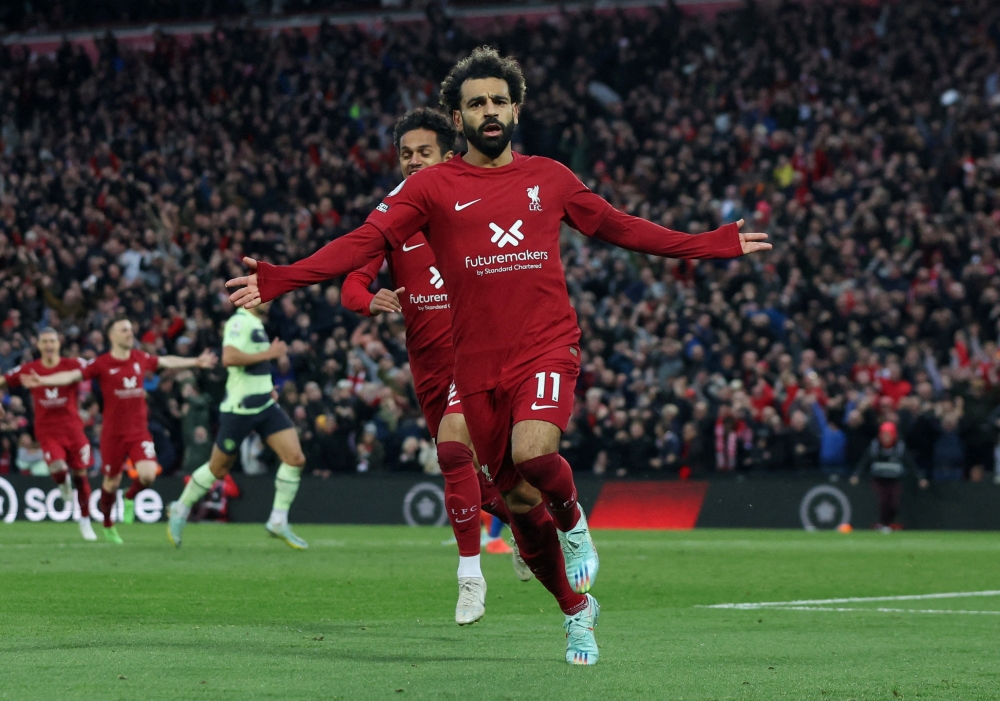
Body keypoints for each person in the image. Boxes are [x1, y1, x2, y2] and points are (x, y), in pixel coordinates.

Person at [226, 47, 771, 665]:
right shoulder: (429, 187)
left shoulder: (551, 178)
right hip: (475, 366)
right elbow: (364, 241)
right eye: (476, 103)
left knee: (533, 451)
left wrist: (713, 244)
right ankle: (575, 611)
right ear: (456, 120)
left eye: (498, 101)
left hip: (546, 344)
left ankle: (575, 527)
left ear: (517, 107)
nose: (489, 111)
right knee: (515, 505)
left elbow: (622, 227)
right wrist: (282, 278)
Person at [340, 107, 525, 626]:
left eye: (423, 152)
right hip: (428, 369)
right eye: (405, 154)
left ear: (448, 155)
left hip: (478, 358)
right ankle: (529, 528)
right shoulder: (391, 220)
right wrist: (367, 297)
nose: (412, 162)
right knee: (474, 479)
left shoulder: (472, 207)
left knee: (449, 448)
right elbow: (352, 279)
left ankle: (469, 577)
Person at [24, 316, 217, 543]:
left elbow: (166, 361)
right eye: (124, 330)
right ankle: (107, 524)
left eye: (130, 329)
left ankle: (129, 496)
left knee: (147, 476)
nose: (129, 333)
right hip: (112, 434)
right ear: (112, 336)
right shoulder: (102, 363)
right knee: (110, 483)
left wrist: (195, 362)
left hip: (138, 432)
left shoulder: (139, 357)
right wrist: (44, 381)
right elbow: (72, 376)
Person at [167, 300, 310, 549]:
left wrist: (267, 387)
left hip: (264, 404)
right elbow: (229, 357)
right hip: (240, 408)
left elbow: (254, 367)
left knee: (295, 459)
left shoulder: (256, 324)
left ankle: (278, 520)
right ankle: (180, 508)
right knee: (218, 469)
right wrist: (270, 354)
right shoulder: (239, 321)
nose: (269, 299)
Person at [0, 329, 96, 540]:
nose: (49, 345)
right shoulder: (30, 369)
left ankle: (85, 521)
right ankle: (63, 484)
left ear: (59, 343)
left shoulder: (72, 365)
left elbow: (99, 368)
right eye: (45, 342)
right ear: (39, 346)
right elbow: (4, 380)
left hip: (73, 430)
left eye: (52, 341)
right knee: (59, 468)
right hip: (48, 432)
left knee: (81, 476)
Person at [850, 421, 929, 532]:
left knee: (894, 503)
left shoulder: (900, 448)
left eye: (888, 435)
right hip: (879, 479)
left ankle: (887, 524)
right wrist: (856, 475)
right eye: (883, 435)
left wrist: (920, 478)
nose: (885, 438)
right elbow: (864, 461)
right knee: (883, 501)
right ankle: (882, 524)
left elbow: (911, 464)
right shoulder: (875, 447)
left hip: (894, 480)